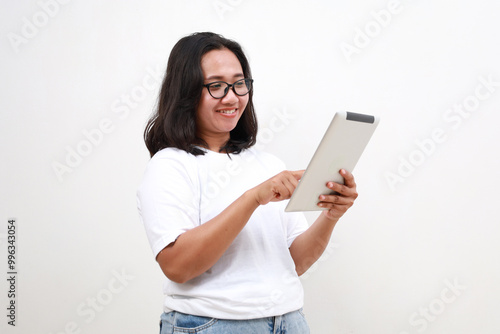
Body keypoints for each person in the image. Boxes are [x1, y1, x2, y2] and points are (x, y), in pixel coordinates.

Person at [137, 32, 358, 334]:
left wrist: (331, 215)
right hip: (211, 325)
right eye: (216, 86)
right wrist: (253, 198)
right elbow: (178, 266)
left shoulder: (267, 164)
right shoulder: (171, 165)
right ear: (186, 93)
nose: (232, 97)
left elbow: (294, 262)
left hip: (288, 321)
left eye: (239, 83)